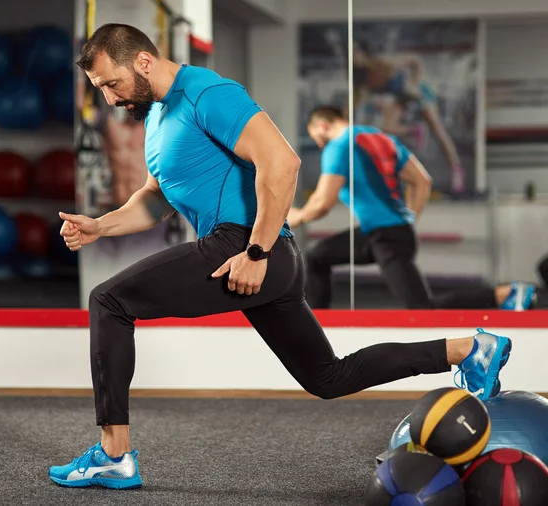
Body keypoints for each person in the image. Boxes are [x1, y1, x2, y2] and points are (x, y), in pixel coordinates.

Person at [49, 24, 513, 490]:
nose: (110, 99)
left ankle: (113, 454)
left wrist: (256, 250)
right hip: (264, 257)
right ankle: (470, 349)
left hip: (245, 246)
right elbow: (155, 198)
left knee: (109, 302)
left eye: (112, 84)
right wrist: (100, 225)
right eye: (101, 89)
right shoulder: (156, 117)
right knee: (328, 377)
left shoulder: (207, 92)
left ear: (144, 62)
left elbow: (282, 162)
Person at [288, 106, 537, 312]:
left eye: (315, 137)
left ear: (321, 125)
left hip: (386, 238)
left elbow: (322, 203)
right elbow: (422, 180)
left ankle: (506, 294)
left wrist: (294, 217)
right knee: (317, 256)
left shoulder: (338, 145)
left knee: (422, 308)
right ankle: (318, 323)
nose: (318, 144)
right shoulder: (381, 137)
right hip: (381, 233)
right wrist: (408, 218)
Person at [352, 41, 466, 194]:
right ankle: (413, 131)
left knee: (437, 130)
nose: (353, 57)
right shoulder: (360, 81)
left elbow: (415, 60)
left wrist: (414, 82)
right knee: (384, 130)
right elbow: (354, 104)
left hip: (416, 93)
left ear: (363, 53)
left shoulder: (382, 63)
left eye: (355, 52)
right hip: (399, 99)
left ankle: (456, 170)